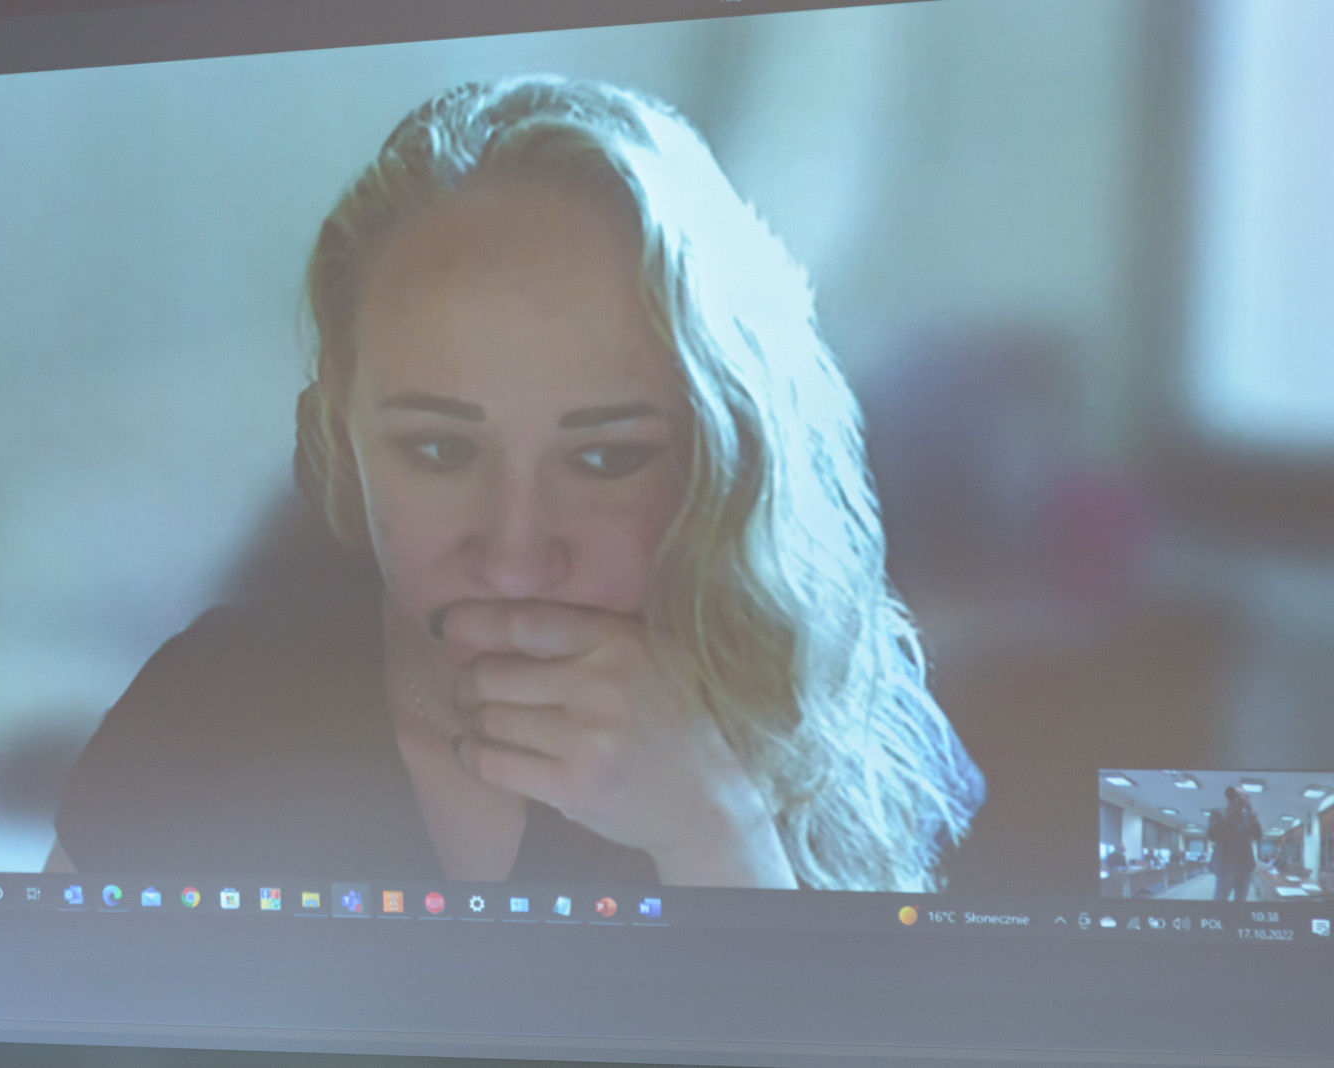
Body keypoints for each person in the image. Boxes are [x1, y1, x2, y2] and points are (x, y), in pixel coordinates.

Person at [49, 75, 984, 890]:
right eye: (439, 451)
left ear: (722, 450)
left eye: (606, 458)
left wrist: (719, 833)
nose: (514, 556)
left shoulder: (860, 747)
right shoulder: (207, 711)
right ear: (341, 423)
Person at [1208, 786, 1262, 902]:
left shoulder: (1249, 816)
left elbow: (1258, 836)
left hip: (1245, 866)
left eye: (1243, 796)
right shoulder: (1218, 813)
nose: (1238, 799)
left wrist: (1250, 810)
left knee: (1240, 901)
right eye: (1235, 796)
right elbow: (1212, 836)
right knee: (1220, 900)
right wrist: (1229, 812)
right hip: (1225, 865)